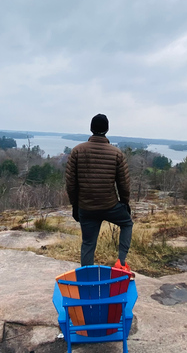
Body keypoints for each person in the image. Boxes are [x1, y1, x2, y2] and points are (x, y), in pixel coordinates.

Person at [65, 113, 133, 269]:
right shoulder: (116, 153)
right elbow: (124, 183)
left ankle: (87, 279)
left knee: (88, 243)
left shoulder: (77, 151)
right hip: (110, 206)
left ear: (91, 128)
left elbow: (70, 183)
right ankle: (121, 262)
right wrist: (124, 203)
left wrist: (75, 205)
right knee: (127, 224)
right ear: (107, 129)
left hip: (86, 208)